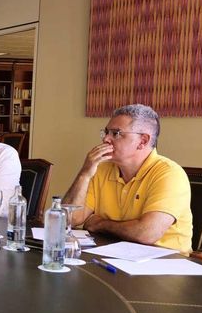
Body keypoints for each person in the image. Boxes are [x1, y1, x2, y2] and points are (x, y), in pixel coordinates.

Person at [63, 104, 192, 254]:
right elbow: (69, 219)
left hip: (166, 265)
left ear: (142, 141)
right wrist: (84, 174)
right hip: (115, 255)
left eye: (116, 133)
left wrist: (100, 224)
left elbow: (146, 233)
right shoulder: (101, 168)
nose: (106, 139)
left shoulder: (169, 174)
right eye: (106, 132)